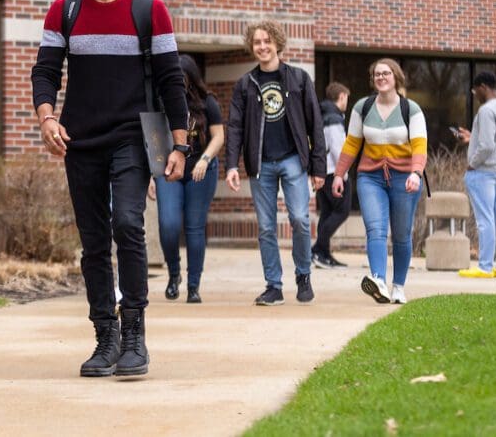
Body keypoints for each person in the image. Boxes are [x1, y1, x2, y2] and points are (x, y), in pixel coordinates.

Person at [31, 0, 188, 378]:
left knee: (127, 225)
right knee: (94, 242)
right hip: (81, 140)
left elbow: (170, 80)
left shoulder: (149, 9)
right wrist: (47, 117)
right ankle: (106, 338)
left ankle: (135, 335)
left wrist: (179, 144)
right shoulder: (64, 11)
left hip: (132, 139)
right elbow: (45, 71)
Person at [225, 20, 326, 306]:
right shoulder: (245, 84)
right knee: (267, 227)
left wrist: (319, 168)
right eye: (257, 42)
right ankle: (273, 285)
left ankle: (303, 275)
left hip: (293, 159)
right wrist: (232, 165)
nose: (262, 47)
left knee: (300, 219)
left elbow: (315, 124)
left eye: (267, 41)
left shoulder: (298, 79)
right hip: (261, 164)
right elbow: (234, 127)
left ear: (278, 44)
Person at [332, 59, 427, 304]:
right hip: (370, 177)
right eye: (377, 74)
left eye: (386, 73)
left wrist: (416, 173)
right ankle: (379, 283)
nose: (381, 77)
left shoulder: (411, 109)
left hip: (405, 178)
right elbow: (352, 143)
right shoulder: (362, 107)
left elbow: (419, 146)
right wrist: (340, 173)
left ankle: (398, 286)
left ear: (396, 77)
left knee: (402, 235)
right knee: (375, 229)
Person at [148, 55, 225, 303]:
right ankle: (174, 273)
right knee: (168, 224)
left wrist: (205, 160)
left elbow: (219, 136)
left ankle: (194, 286)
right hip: (168, 171)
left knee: (194, 227)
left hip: (200, 172)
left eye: (180, 78)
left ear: (191, 78)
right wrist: (151, 174)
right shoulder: (159, 101)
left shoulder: (207, 102)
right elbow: (153, 139)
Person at [458, 71, 496, 278]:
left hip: (483, 171)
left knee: (485, 219)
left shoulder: (486, 110)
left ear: (482, 86)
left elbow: (487, 144)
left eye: (475, 90)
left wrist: (473, 163)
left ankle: (485, 266)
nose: (475, 94)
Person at [312, 82, 351, 269]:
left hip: (322, 171)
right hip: (333, 172)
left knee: (327, 212)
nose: (346, 103)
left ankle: (324, 254)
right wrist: (342, 173)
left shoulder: (322, 115)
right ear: (341, 96)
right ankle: (318, 249)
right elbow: (337, 148)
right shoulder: (334, 118)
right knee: (342, 211)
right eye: (346, 98)